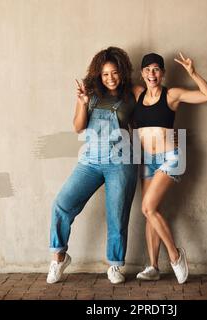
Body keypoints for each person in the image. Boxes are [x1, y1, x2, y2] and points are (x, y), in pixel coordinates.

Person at [47, 47, 138, 284]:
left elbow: (145, 123)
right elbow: (78, 127)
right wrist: (82, 101)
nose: (110, 78)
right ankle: (59, 258)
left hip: (121, 162)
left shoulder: (133, 95)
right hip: (90, 161)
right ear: (99, 74)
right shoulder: (90, 94)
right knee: (62, 204)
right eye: (105, 74)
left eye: (115, 73)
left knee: (117, 216)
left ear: (123, 71)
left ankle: (115, 266)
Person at [132, 52, 207, 283]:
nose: (152, 73)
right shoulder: (137, 93)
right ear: (141, 73)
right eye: (147, 69)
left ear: (163, 73)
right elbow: (112, 86)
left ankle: (176, 256)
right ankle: (152, 266)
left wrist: (193, 73)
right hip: (146, 160)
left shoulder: (172, 94)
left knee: (148, 208)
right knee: (150, 212)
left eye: (156, 69)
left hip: (170, 158)